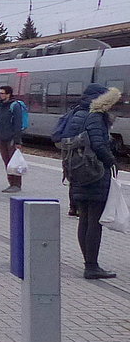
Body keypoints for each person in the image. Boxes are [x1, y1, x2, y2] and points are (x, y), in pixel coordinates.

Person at [55, 83, 119, 279]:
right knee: (94, 221)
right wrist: (112, 161)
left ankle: (88, 262)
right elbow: (99, 144)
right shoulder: (96, 116)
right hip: (95, 172)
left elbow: (62, 137)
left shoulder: (75, 113)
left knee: (84, 218)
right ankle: (92, 266)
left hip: (76, 170)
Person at [0, 85, 24, 193]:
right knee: (7, 162)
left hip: (11, 138)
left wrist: (17, 140)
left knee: (14, 162)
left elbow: (17, 124)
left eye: (2, 93)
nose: (0, 95)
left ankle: (16, 184)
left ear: (8, 94)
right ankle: (11, 183)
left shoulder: (15, 106)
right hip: (1, 137)